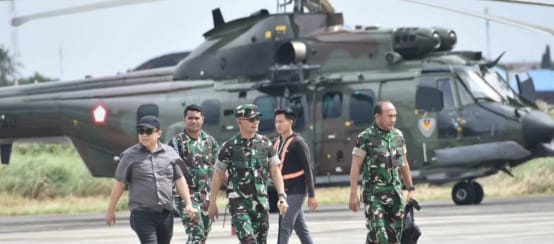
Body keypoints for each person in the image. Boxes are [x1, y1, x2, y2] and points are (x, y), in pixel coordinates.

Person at [105, 115, 196, 244]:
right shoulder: (129, 156)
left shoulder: (170, 154)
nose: (144, 135)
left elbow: (179, 180)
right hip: (142, 214)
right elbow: (119, 184)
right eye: (141, 131)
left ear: (158, 133)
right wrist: (110, 210)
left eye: (148, 131)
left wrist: (188, 204)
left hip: (165, 214)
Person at [208, 104, 289, 244]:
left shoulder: (265, 143)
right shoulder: (230, 146)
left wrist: (281, 196)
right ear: (239, 121)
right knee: (249, 241)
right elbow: (218, 174)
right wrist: (212, 203)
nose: (255, 122)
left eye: (257, 118)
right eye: (251, 119)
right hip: (239, 204)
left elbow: (275, 171)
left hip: (261, 205)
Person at [348, 100, 416, 244]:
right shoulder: (364, 138)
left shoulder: (398, 136)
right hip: (374, 197)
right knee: (380, 235)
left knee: (395, 237)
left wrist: (411, 188)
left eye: (394, 116)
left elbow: (404, 163)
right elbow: (355, 167)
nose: (393, 119)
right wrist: (353, 194)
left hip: (395, 195)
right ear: (377, 116)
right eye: (389, 116)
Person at [167, 104, 219, 244]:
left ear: (202, 119)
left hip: (205, 196)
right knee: (196, 233)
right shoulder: (176, 143)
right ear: (184, 119)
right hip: (185, 196)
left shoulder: (210, 142)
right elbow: (170, 172)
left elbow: (217, 170)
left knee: (203, 235)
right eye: (190, 118)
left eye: (197, 118)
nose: (194, 121)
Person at [273, 108, 318, 244]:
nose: (278, 125)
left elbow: (308, 169)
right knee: (301, 229)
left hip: (297, 190)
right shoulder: (277, 142)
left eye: (281, 121)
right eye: (276, 122)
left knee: (284, 227)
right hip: (284, 190)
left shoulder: (298, 143)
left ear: (290, 122)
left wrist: (311, 194)